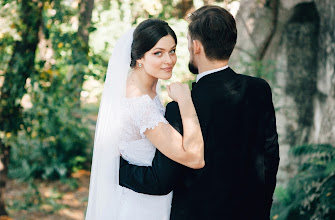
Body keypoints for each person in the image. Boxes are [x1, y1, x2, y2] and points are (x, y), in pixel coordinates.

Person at [119, 5, 280, 220]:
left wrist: (116, 169)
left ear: (196, 46)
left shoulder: (180, 108)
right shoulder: (259, 89)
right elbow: (271, 157)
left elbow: (162, 179)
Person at [85, 19, 205, 219]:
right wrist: (185, 100)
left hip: (149, 196)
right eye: (158, 53)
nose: (169, 60)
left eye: (172, 51)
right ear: (139, 57)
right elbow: (195, 158)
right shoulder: (138, 104)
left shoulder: (143, 86)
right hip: (142, 206)